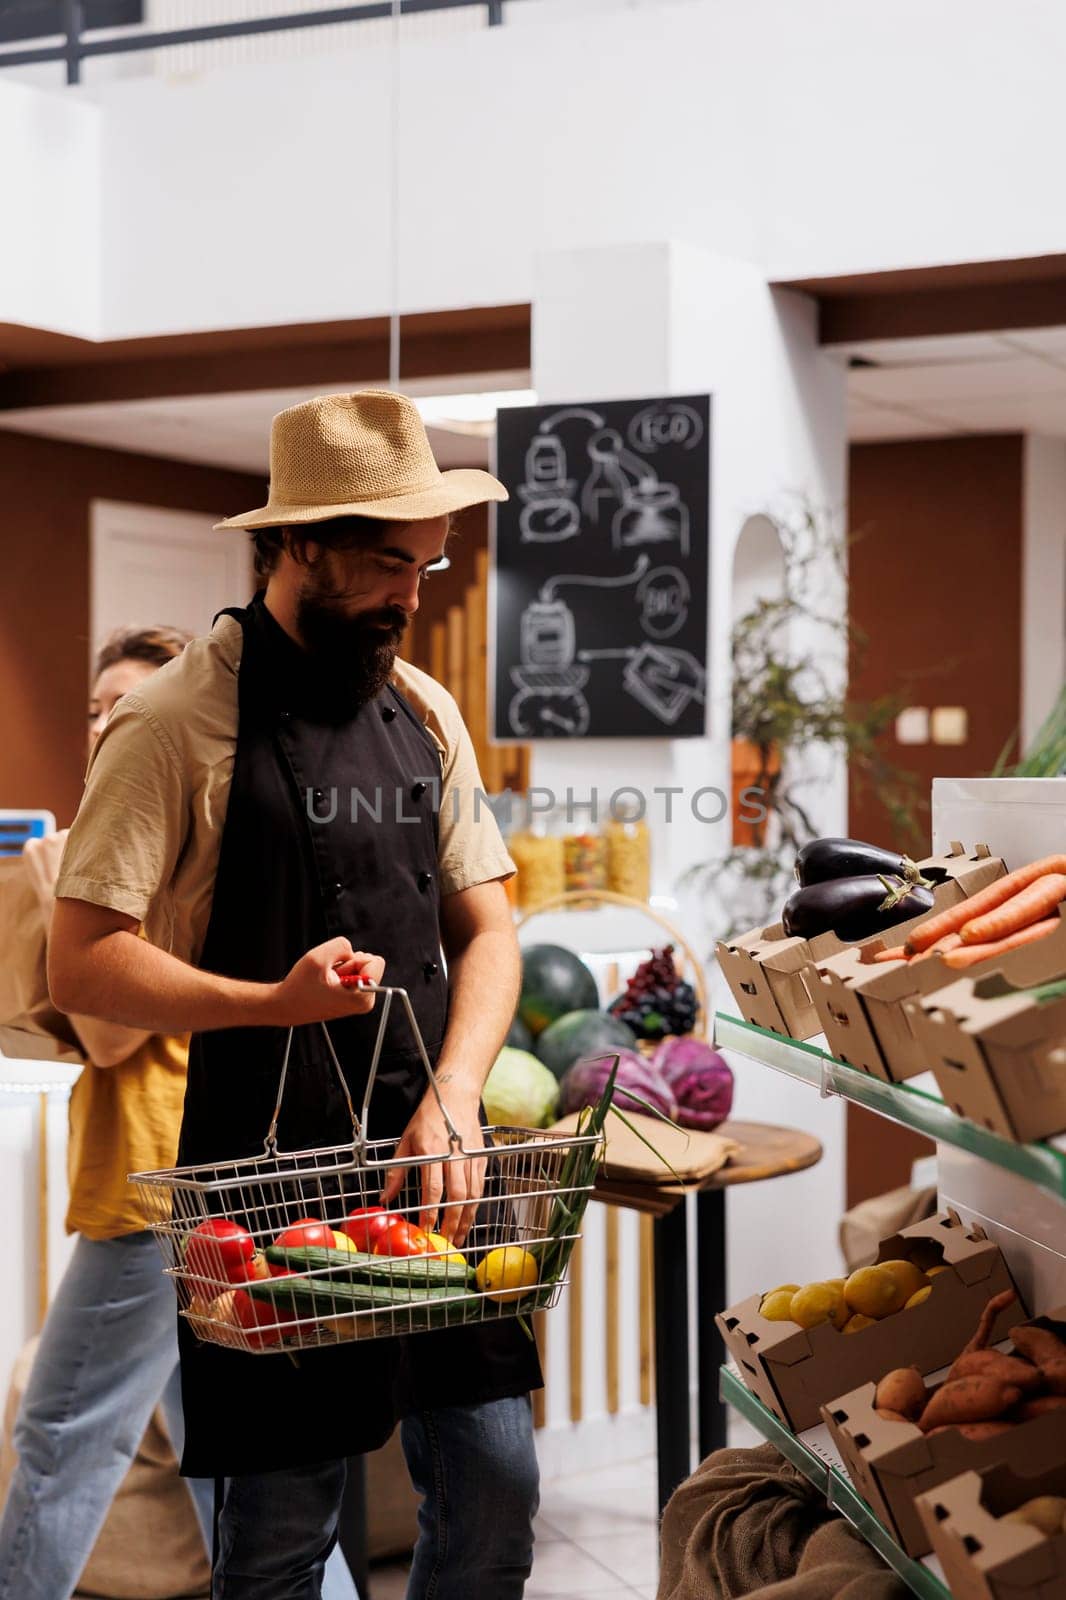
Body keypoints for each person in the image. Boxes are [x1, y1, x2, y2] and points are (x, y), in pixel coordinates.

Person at [48, 390, 542, 1600]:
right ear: (299, 544)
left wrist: (459, 1093)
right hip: (269, 1182)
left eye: (425, 566)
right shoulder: (170, 723)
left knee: (495, 1488)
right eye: (386, 564)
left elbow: (489, 926)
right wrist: (273, 1000)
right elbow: (85, 956)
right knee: (277, 1534)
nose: (409, 596)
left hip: (435, 1170)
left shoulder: (424, 711)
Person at [0, 626, 362, 1600]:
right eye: (94, 708)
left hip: (160, 1182)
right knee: (225, 1455)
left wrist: (51, 883)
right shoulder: (123, 843)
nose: (106, 723)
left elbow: (111, 1037)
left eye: (130, 705)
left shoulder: (146, 852)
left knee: (60, 1432)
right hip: (177, 1172)